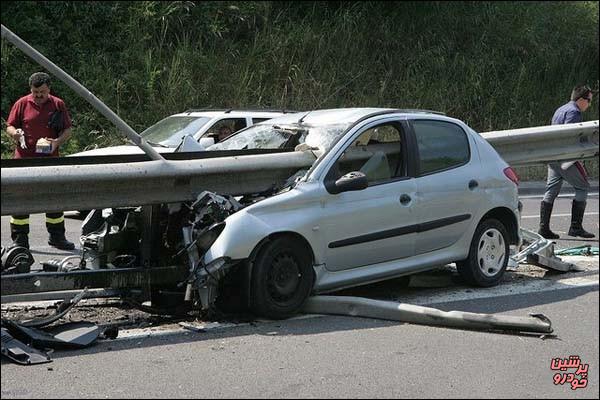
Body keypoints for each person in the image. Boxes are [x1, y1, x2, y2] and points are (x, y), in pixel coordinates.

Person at [5, 72, 76, 250]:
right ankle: (20, 239)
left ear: (49, 89)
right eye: (35, 92)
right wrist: (15, 133)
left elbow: (68, 130)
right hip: (24, 160)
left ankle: (57, 236)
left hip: (50, 161)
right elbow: (10, 126)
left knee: (53, 198)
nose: (38, 96)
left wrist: (57, 142)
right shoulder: (22, 103)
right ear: (31, 90)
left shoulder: (58, 104)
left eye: (42, 92)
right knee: (21, 199)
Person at [538, 85, 595, 239]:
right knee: (583, 186)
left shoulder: (560, 109)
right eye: (589, 101)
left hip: (553, 156)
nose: (589, 104)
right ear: (581, 99)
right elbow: (570, 135)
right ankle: (575, 228)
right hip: (565, 158)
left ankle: (543, 229)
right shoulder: (574, 112)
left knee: (551, 190)